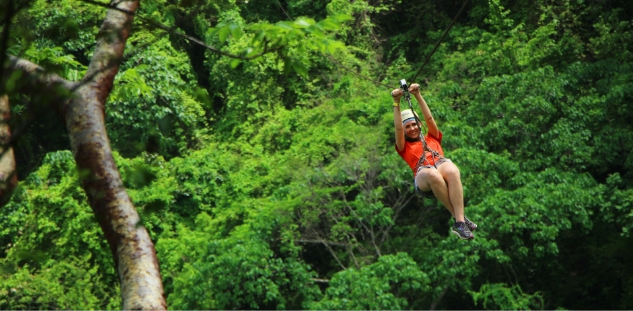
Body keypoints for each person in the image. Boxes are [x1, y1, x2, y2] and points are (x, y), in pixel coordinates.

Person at [391, 83, 477, 240]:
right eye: (407, 126)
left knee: (451, 169)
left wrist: (418, 95)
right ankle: (460, 218)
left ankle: (459, 222)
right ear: (404, 130)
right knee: (433, 174)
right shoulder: (404, 146)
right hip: (423, 174)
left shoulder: (432, 137)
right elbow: (397, 129)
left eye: (414, 124)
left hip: (439, 164)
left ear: (419, 124)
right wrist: (396, 103)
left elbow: (429, 118)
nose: (412, 129)